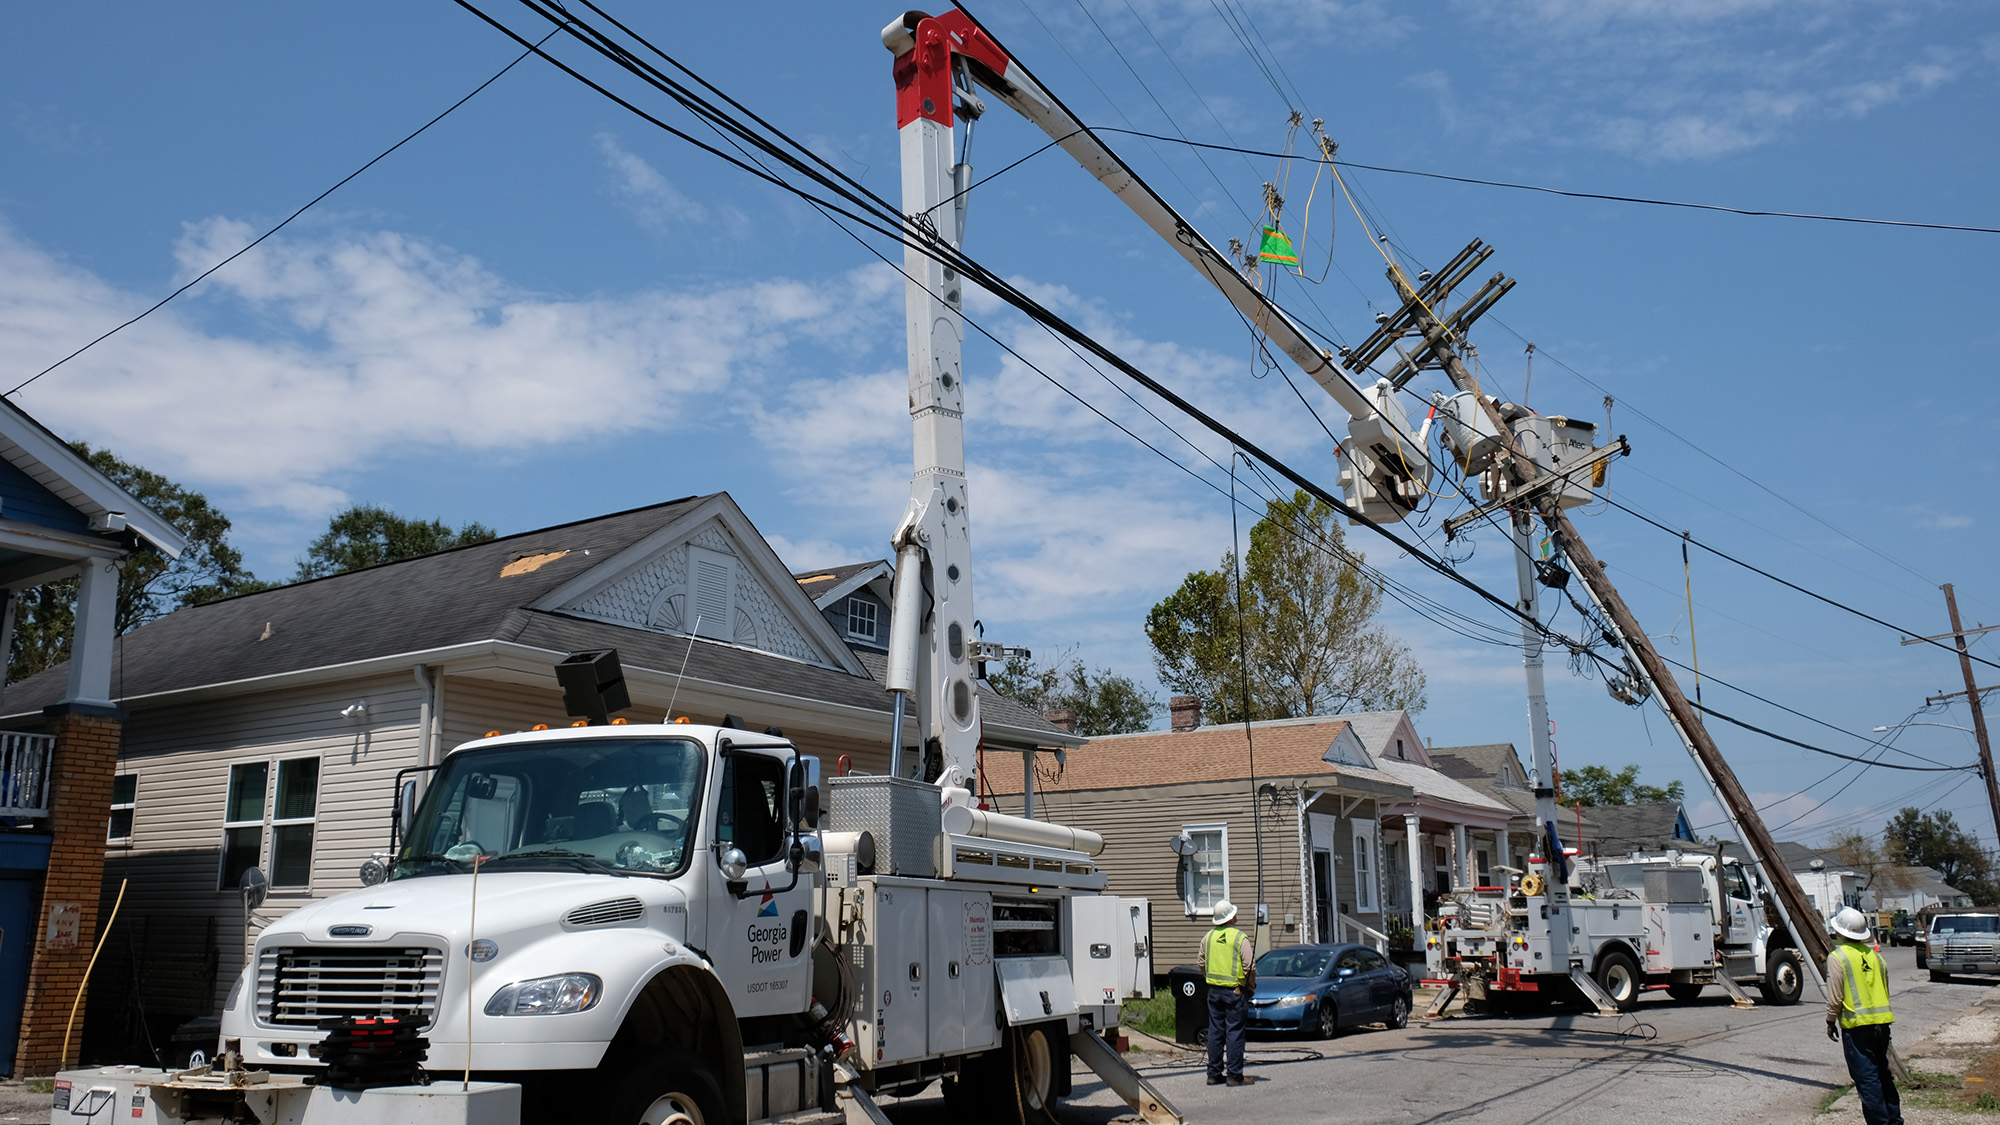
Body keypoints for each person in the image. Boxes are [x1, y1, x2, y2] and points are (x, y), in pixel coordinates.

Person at [1826, 906, 1902, 1125]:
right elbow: (1884, 989)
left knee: (1867, 1080)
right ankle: (1894, 1121)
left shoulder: (1838, 957)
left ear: (1840, 931)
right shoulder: (1876, 957)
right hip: (1882, 1025)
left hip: (1857, 1028)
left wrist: (1830, 1021)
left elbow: (1835, 998)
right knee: (1884, 1077)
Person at [1199, 900, 1255, 1087]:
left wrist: (1210, 978)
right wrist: (1251, 986)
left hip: (1214, 990)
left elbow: (1201, 962)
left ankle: (1214, 1074)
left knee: (1215, 1031)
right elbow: (1249, 966)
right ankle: (1234, 1075)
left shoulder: (1208, 938)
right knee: (1235, 1032)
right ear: (1231, 917)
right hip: (1235, 991)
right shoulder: (1240, 938)